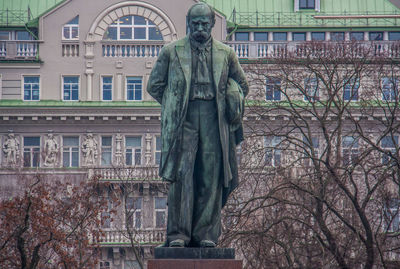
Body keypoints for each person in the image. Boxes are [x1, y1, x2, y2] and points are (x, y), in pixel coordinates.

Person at [147, 2, 248, 248]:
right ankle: (178, 235)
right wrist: (175, 103)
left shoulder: (226, 53)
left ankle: (206, 235)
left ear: (212, 24)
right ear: (188, 25)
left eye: (205, 23)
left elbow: (242, 85)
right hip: (185, 118)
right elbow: (155, 85)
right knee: (182, 177)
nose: (200, 28)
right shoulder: (172, 52)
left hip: (214, 117)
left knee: (209, 176)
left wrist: (233, 96)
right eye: (195, 24)